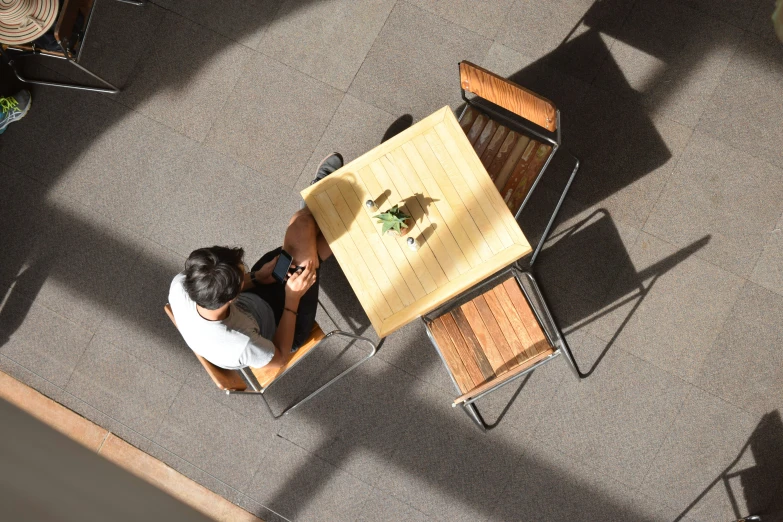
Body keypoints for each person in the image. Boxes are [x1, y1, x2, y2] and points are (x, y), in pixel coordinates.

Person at [168, 153, 344, 371]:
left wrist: (256, 277)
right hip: (284, 325)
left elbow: (234, 285)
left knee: (303, 238)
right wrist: (292, 299)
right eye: (243, 273)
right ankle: (316, 203)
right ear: (233, 296)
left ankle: (320, 210)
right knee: (303, 233)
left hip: (256, 296)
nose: (246, 271)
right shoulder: (242, 345)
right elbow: (279, 360)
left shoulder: (181, 284)